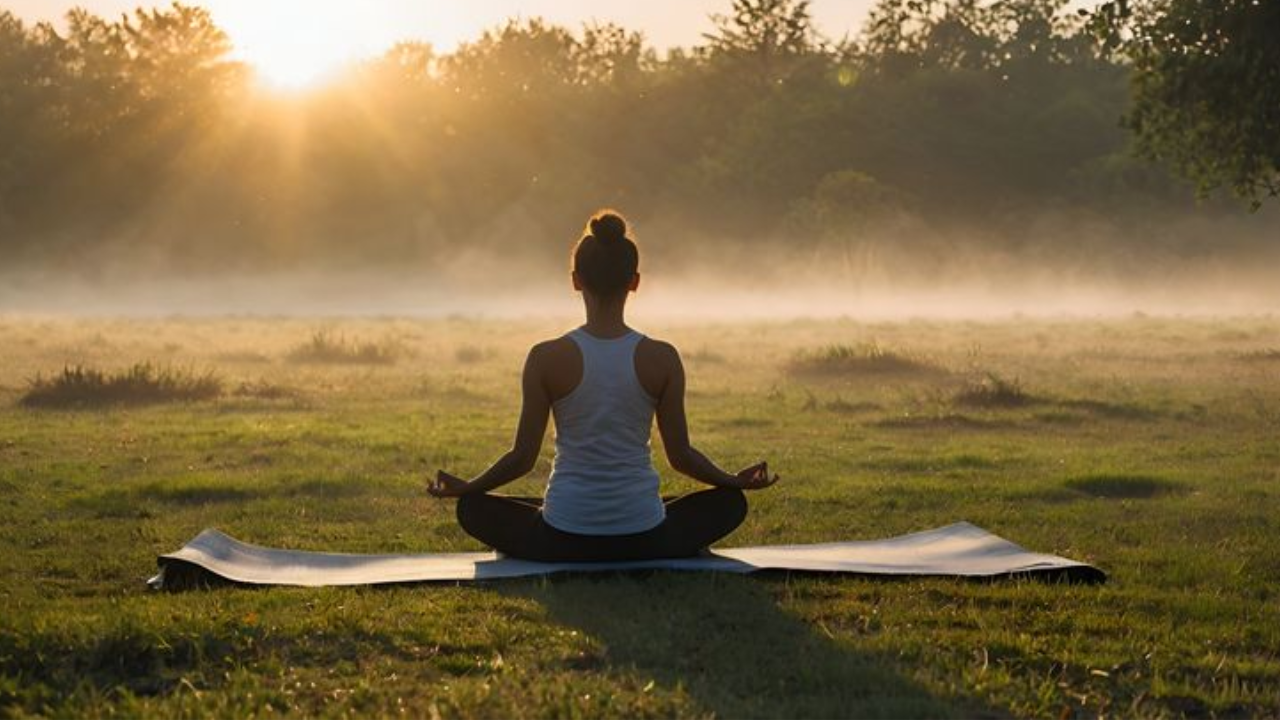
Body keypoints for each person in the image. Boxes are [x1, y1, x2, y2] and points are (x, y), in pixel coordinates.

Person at [428, 209, 778, 561]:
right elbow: (681, 457)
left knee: (472, 508)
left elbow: (522, 458)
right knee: (729, 503)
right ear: (635, 281)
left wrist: (469, 488)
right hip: (646, 536)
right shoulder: (662, 357)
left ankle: (560, 517)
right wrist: (735, 481)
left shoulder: (546, 357)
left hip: (561, 538)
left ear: (576, 280)